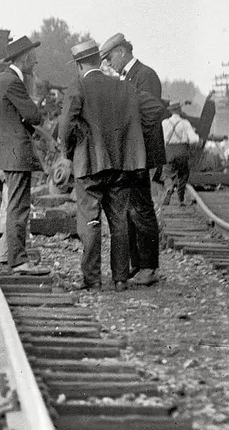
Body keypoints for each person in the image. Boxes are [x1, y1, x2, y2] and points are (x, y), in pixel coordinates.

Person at [58, 41, 151, 291]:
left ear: (79, 64)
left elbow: (65, 125)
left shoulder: (78, 86)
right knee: (119, 222)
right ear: (99, 61)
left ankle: (92, 279)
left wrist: (68, 153)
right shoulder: (123, 86)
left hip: (88, 166)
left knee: (89, 222)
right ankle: (120, 279)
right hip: (121, 166)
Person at [99, 32, 163, 284]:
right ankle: (138, 265)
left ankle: (148, 267)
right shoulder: (127, 77)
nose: (108, 62)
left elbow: (151, 113)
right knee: (130, 209)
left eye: (109, 57)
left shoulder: (146, 75)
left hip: (141, 153)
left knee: (142, 209)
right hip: (130, 153)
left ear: (121, 52)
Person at [0, 35, 46, 275]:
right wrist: (32, 110)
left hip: (7, 151)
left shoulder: (2, 79)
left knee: (14, 205)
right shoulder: (13, 82)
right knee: (18, 207)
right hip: (17, 152)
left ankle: (13, 259)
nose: (35, 63)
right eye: (33, 59)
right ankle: (18, 261)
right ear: (24, 59)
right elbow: (34, 115)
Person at [161, 101, 200, 208]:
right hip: (182, 151)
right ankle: (180, 200)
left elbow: (161, 140)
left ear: (170, 111)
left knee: (167, 173)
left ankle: (169, 187)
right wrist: (197, 139)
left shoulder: (164, 123)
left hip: (169, 152)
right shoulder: (185, 123)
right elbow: (193, 139)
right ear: (179, 110)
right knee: (183, 175)